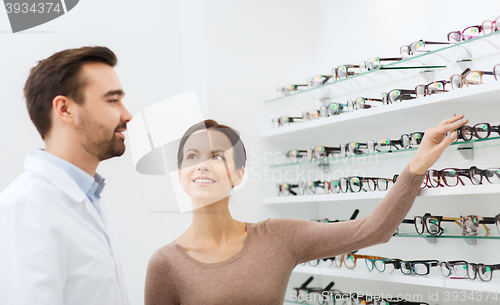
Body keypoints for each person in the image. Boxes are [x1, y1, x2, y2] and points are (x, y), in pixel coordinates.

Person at [144, 115, 467, 304]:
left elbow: (373, 230)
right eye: (192, 157)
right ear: (181, 175)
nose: (202, 165)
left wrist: (417, 165)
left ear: (239, 174)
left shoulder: (278, 238)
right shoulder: (166, 264)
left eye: (217, 156)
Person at [0, 46, 133, 305]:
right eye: (112, 100)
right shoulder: (26, 207)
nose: (126, 114)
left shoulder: (86, 200)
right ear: (64, 109)